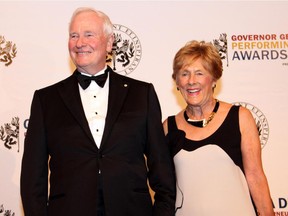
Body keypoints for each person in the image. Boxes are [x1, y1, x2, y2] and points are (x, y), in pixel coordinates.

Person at [20, 7, 176, 216]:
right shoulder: (46, 100)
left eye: (88, 34)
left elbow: (162, 170)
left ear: (109, 42)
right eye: (74, 35)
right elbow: (32, 178)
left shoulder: (142, 94)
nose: (79, 42)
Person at [163, 40, 274, 216]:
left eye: (199, 73)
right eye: (184, 74)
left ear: (214, 79)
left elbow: (256, 177)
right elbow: (165, 189)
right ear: (177, 82)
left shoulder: (240, 117)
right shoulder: (168, 127)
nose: (192, 81)